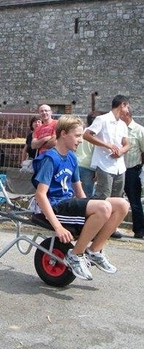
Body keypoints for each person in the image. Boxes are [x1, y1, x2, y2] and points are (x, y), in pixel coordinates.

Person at [33, 115, 129, 281]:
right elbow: (40, 195)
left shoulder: (71, 157)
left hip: (70, 204)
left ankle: (94, 251)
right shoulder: (51, 158)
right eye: (77, 136)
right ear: (63, 134)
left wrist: (90, 211)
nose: (81, 140)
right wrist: (58, 227)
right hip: (57, 207)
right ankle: (75, 254)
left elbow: (80, 194)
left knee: (122, 205)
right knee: (104, 207)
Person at [83, 95, 130, 238]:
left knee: (118, 197)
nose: (128, 110)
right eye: (127, 106)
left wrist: (121, 150)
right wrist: (108, 145)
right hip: (104, 164)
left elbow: (127, 143)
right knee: (103, 195)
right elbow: (87, 135)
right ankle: (95, 226)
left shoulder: (122, 124)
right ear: (122, 105)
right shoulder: (102, 119)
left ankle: (111, 228)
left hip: (119, 166)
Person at [120, 109, 144, 239]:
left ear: (126, 115)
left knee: (135, 201)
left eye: (120, 113)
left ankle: (139, 230)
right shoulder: (117, 128)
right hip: (117, 170)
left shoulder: (139, 130)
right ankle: (112, 229)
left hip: (132, 170)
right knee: (115, 199)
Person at [76, 111, 104, 197]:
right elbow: (96, 154)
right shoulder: (96, 136)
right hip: (88, 167)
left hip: (76, 164)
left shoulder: (81, 132)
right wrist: (97, 170)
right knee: (87, 195)